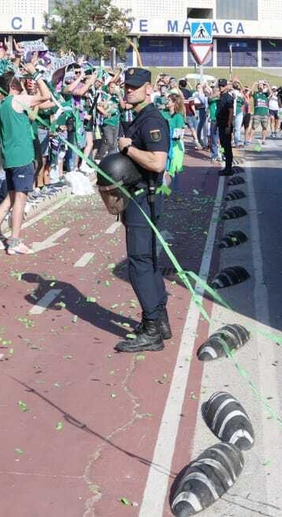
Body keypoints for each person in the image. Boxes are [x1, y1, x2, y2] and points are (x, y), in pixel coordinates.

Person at [113, 67, 173, 353]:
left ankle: (151, 327)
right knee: (148, 261)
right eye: (127, 86)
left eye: (135, 87)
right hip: (140, 197)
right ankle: (159, 319)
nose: (129, 90)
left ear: (149, 89)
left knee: (138, 264)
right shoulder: (139, 117)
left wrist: (127, 149)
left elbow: (158, 162)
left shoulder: (152, 120)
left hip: (144, 199)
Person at [0, 71, 56, 255]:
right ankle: (15, 240)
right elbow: (46, 95)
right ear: (12, 85)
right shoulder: (16, 100)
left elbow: (40, 106)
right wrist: (37, 74)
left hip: (10, 156)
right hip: (21, 156)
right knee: (20, 199)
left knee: (10, 198)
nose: (21, 83)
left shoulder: (4, 105)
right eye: (18, 81)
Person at [215, 78, 236, 174]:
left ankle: (229, 168)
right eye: (219, 85)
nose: (220, 87)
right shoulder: (221, 96)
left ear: (226, 86)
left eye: (222, 86)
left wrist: (228, 125)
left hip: (226, 125)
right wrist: (216, 124)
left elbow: (231, 112)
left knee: (227, 147)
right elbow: (219, 112)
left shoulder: (228, 97)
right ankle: (226, 166)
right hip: (221, 124)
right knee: (223, 146)